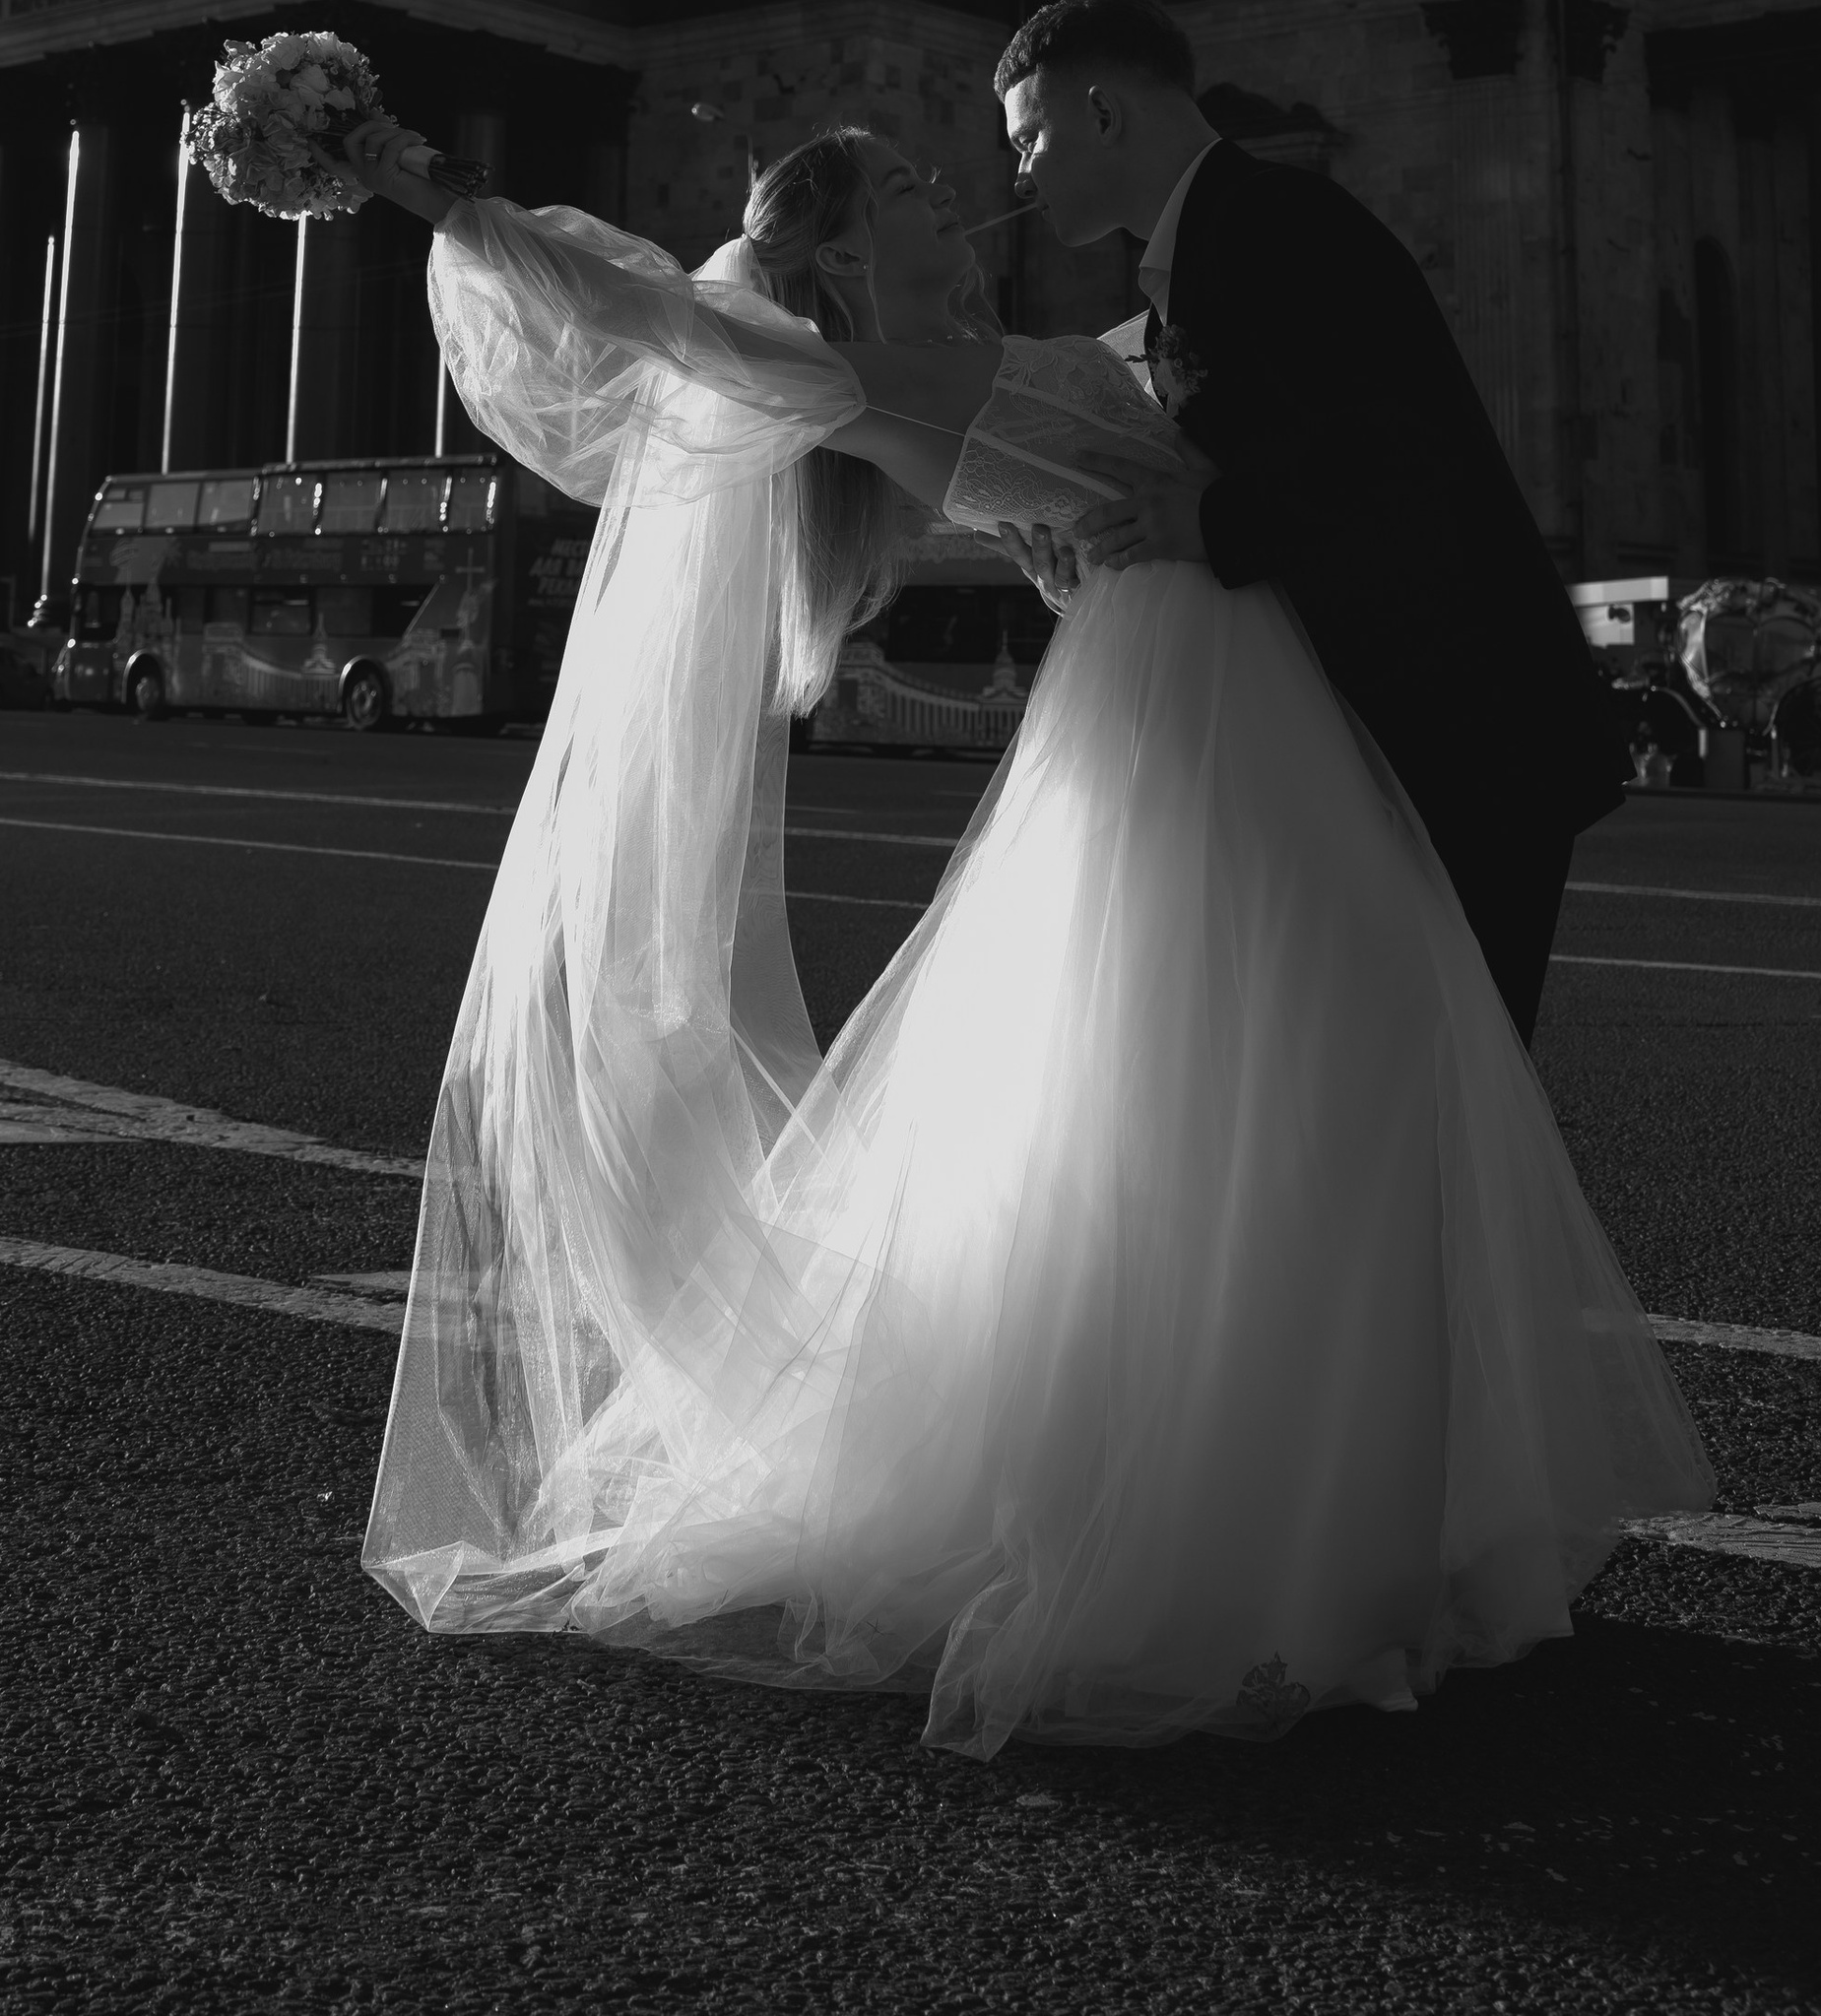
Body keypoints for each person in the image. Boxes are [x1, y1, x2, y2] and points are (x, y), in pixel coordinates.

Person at [346, 103, 1709, 1756]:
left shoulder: (973, 365)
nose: (953, 198)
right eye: (910, 188)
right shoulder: (863, 378)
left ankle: (1315, 1521)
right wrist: (423, 178)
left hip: (1214, 706)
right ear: (840, 252)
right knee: (1273, 1102)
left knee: (1280, 1107)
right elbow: (653, 312)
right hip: (1194, 725)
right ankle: (1271, 1543)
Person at [996, 0, 1622, 1039]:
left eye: (1030, 135)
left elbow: (1405, 461)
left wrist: (1214, 527)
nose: (1017, 173)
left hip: (1465, 746)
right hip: (1401, 741)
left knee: (1442, 1106)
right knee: (1404, 1110)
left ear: (1103, 112)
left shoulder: (1277, 226)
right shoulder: (1197, 263)